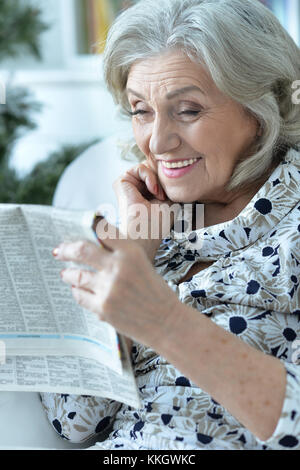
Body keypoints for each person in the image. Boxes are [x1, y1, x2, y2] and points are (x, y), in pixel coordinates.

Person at [40, 0, 300, 450]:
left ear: (261, 112)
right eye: (141, 110)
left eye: (188, 110)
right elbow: (75, 422)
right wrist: (134, 251)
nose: (158, 141)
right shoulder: (140, 221)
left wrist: (161, 319)